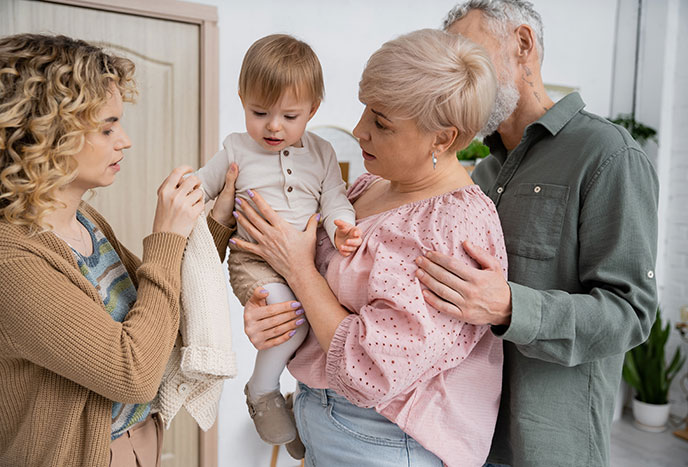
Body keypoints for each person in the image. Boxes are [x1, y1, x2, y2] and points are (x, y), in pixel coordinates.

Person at [236, 29, 507, 466]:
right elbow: (310, 295)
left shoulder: (454, 227)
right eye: (366, 110)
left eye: (381, 123)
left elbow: (373, 369)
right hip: (324, 418)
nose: (360, 130)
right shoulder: (369, 187)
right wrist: (269, 314)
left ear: (442, 139)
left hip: (383, 440)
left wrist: (299, 272)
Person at [412, 1, 659, 466]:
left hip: (549, 447)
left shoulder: (608, 154)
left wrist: (509, 306)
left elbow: (631, 313)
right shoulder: (478, 174)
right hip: (461, 437)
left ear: (522, 45)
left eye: (469, 55)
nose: (459, 80)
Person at [0, 34, 237, 467]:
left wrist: (214, 227)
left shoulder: (84, 220)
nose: (124, 140)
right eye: (107, 127)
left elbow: (160, 306)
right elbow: (134, 372)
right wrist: (165, 234)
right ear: (46, 132)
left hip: (140, 442)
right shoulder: (11, 261)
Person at [195, 33, 360, 445]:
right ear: (241, 99)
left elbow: (335, 197)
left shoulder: (322, 153)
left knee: (316, 321)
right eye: (259, 111)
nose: (272, 126)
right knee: (289, 318)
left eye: (289, 116)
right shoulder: (236, 148)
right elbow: (202, 187)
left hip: (302, 260)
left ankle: (298, 405)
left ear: (312, 110)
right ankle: (262, 390)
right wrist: (185, 195)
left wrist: (341, 225)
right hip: (253, 260)